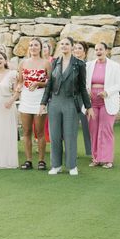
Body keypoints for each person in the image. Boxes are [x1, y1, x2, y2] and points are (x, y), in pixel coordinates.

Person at [39, 37, 93, 175]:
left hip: (70, 103)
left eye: (67, 44)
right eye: (62, 44)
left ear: (72, 47)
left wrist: (88, 106)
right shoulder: (55, 62)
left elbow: (82, 87)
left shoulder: (79, 64)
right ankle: (56, 165)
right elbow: (49, 85)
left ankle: (72, 166)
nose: (64, 46)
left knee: (70, 135)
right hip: (55, 103)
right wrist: (43, 103)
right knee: (55, 136)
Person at [86, 42, 120, 169]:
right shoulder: (89, 65)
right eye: (96, 49)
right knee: (93, 129)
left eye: (101, 49)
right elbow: (84, 83)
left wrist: (107, 92)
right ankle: (96, 158)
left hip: (107, 100)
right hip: (92, 102)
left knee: (106, 129)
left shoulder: (114, 66)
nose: (98, 51)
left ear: (106, 50)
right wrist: (87, 91)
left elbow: (119, 84)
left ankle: (107, 159)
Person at [17, 38, 51, 170]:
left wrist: (38, 83)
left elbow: (51, 82)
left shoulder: (46, 63)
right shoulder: (23, 63)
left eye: (36, 45)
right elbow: (20, 81)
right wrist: (18, 87)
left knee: (40, 132)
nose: (33, 47)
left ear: (40, 47)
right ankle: (28, 160)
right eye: (31, 45)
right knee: (26, 132)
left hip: (40, 100)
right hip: (26, 99)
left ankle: (41, 161)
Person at [72, 41, 93, 157]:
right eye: (75, 48)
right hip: (72, 97)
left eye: (79, 48)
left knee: (87, 125)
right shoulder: (69, 64)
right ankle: (71, 151)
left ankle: (90, 151)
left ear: (84, 51)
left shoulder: (88, 65)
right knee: (71, 125)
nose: (77, 50)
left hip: (84, 97)